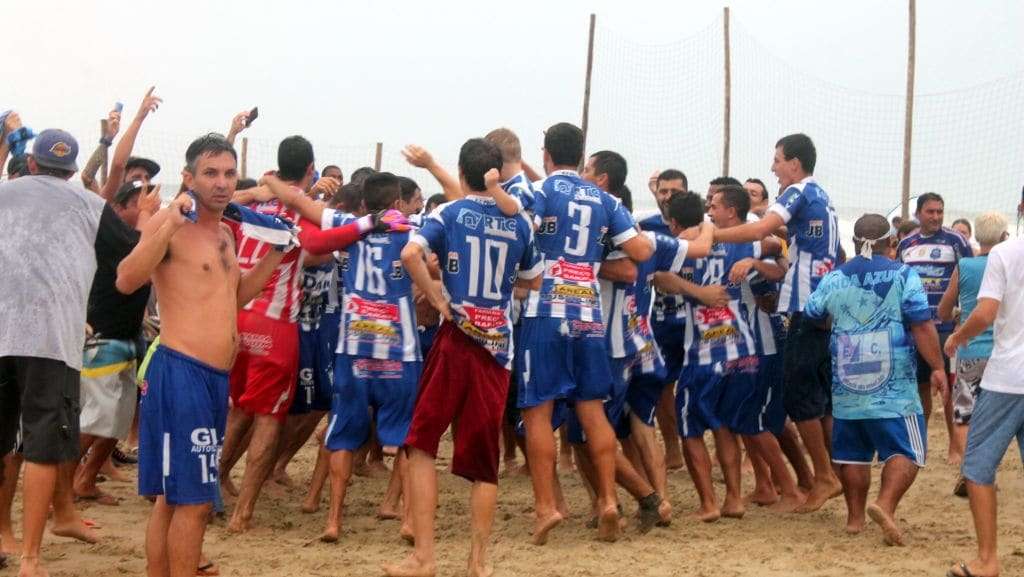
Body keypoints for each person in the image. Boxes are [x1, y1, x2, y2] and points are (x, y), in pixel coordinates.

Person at [115, 133, 295, 577]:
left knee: (170, 499)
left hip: (212, 379)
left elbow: (232, 299)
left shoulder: (225, 234)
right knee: (194, 503)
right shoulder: (170, 221)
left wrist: (276, 254)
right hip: (181, 372)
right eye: (211, 173)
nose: (222, 182)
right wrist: (168, 224)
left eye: (229, 173)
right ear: (189, 177)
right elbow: (126, 278)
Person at [382, 138, 542, 577]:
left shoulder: (448, 215)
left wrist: (434, 291)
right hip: (498, 348)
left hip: (457, 338)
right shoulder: (520, 223)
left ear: (461, 169)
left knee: (421, 444)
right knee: (483, 461)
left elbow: (410, 252)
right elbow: (532, 281)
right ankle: (478, 562)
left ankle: (425, 558)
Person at [516, 122, 653, 544]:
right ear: (580, 155)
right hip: (589, 313)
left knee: (537, 411)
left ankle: (545, 508)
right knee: (592, 410)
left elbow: (517, 229)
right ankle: (609, 501)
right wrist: (592, 256)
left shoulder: (537, 192)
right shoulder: (606, 199)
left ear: (546, 154)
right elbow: (642, 252)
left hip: (545, 310)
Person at [710, 133, 842, 512]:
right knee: (819, 402)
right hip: (823, 306)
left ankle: (823, 478)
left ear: (795, 164)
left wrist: (710, 234)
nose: (774, 168)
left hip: (806, 307)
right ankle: (832, 475)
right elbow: (784, 237)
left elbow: (756, 230)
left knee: (799, 401)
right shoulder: (820, 195)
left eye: (778, 160)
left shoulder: (797, 191)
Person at [0, 129, 109, 577]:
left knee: (5, 439)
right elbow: (132, 248)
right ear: (71, 171)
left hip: (3, 333)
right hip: (52, 340)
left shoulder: (7, 194)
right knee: (44, 447)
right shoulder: (87, 202)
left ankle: (5, 531)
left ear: (31, 164)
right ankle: (30, 558)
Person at [805, 213, 946, 546]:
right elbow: (922, 325)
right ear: (891, 243)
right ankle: (884, 504)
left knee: (852, 452)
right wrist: (938, 366)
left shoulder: (835, 277)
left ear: (855, 243)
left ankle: (854, 520)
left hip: (847, 381)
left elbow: (813, 314)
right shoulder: (904, 275)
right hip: (893, 386)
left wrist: (841, 325)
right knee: (907, 450)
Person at [73, 180, 162, 504]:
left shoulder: (138, 235)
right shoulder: (107, 235)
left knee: (119, 419)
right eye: (138, 204)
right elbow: (137, 247)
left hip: (128, 335)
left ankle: (83, 481)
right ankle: (61, 492)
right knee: (94, 421)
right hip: (104, 337)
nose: (148, 209)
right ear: (121, 208)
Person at [943, 231, 1024, 577]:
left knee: (976, 465)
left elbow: (986, 311)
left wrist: (958, 336)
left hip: (1009, 375)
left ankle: (987, 560)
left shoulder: (1006, 253)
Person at [897, 193, 972, 463]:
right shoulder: (906, 244)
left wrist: (963, 318)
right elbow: (899, 283)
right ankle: (921, 445)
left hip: (946, 327)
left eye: (940, 211)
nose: (936, 216)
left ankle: (955, 446)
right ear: (918, 214)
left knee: (949, 390)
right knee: (920, 388)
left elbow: (970, 278)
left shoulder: (956, 241)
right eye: (930, 211)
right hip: (915, 328)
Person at [938, 212, 1008, 496]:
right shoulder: (1010, 262)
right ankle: (987, 471)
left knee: (964, 415)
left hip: (971, 351)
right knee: (1000, 418)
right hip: (1003, 352)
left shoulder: (964, 265)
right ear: (1004, 236)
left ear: (976, 237)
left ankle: (971, 471)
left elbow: (943, 310)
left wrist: (959, 316)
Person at [639, 168, 690, 471]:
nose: (669, 197)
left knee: (705, 384)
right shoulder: (645, 227)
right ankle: (673, 447)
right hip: (660, 318)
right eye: (663, 192)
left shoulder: (704, 226)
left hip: (698, 318)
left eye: (675, 191)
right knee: (662, 386)